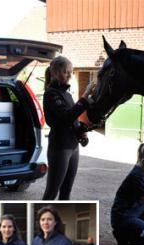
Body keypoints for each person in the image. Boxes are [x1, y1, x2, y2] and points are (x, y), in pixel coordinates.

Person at [42, 56, 95, 200]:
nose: (69, 76)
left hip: (73, 147)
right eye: (66, 72)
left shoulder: (67, 94)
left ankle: (61, 221)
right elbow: (66, 118)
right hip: (60, 147)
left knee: (66, 192)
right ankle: (39, 221)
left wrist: (81, 130)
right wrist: (84, 96)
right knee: (52, 192)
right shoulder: (51, 94)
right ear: (54, 72)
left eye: (71, 72)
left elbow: (73, 120)